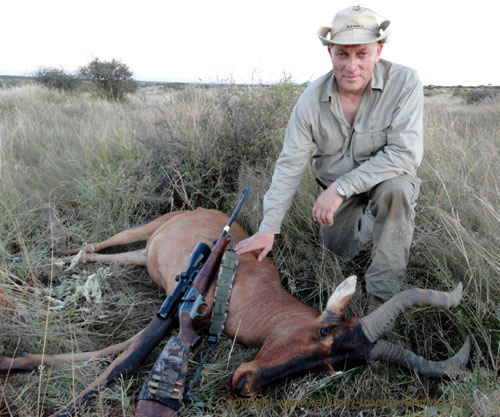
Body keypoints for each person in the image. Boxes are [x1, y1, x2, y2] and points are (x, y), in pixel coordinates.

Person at [234, 5, 423, 313]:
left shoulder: (404, 83)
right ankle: (369, 226)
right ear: (330, 53)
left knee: (397, 191)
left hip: (381, 181)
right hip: (334, 187)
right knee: (339, 253)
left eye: (361, 54)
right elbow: (290, 165)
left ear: (379, 50)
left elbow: (405, 153)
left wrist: (340, 189)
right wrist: (268, 227)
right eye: (342, 54)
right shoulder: (310, 101)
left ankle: (380, 300)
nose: (351, 66)